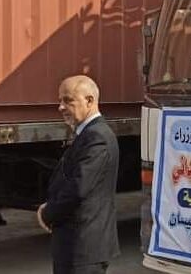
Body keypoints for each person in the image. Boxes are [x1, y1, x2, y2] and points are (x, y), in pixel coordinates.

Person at [37, 75, 120, 274]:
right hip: (76, 247)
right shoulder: (89, 134)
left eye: (68, 100)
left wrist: (48, 214)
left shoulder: (97, 137)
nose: (61, 107)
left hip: (83, 249)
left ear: (89, 101)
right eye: (60, 100)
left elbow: (78, 188)